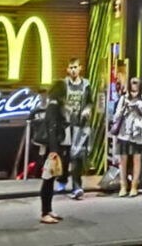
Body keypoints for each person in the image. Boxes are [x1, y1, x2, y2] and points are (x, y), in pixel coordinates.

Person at [112, 77, 142, 198]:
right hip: (124, 133)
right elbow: (115, 116)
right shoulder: (123, 98)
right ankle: (123, 185)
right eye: (132, 85)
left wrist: (140, 105)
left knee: (137, 159)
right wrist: (124, 108)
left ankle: (134, 186)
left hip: (137, 134)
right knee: (123, 160)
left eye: (136, 85)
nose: (134, 88)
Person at [63, 58, 92, 200]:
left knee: (77, 157)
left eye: (75, 67)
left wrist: (87, 110)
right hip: (66, 126)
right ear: (67, 70)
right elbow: (60, 101)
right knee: (66, 156)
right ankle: (63, 180)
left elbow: (90, 102)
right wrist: (67, 109)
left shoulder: (86, 84)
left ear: (80, 68)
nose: (73, 70)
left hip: (80, 125)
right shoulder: (64, 84)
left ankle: (77, 187)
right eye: (71, 67)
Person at [39, 80, 68, 224]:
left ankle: (48, 209)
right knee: (48, 179)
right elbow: (52, 128)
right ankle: (45, 212)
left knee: (50, 179)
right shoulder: (53, 106)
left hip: (53, 147)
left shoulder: (54, 106)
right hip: (52, 148)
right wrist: (54, 150)